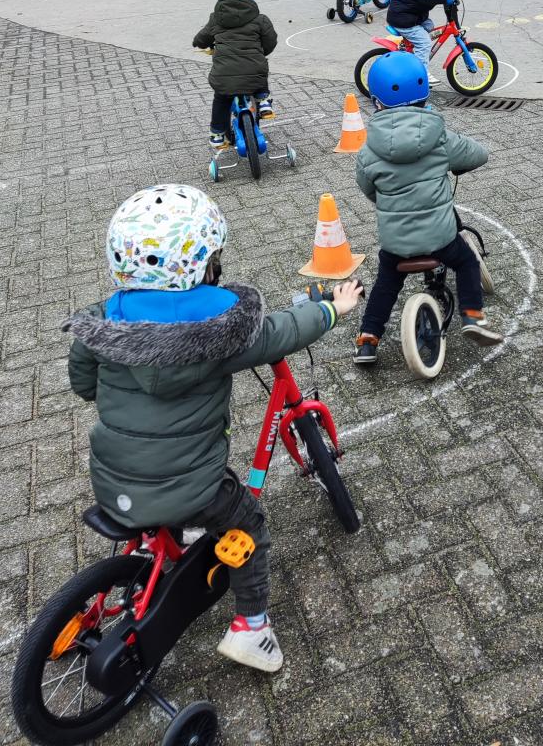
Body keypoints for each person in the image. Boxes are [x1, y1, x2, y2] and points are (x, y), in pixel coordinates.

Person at [66, 183, 363, 672]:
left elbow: (83, 384)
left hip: (112, 477)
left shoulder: (103, 321)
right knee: (250, 525)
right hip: (190, 488)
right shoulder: (219, 331)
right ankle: (252, 629)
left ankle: (167, 549)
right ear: (201, 263)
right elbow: (283, 331)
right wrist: (333, 307)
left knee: (165, 493)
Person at [352, 54, 501, 365]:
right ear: (425, 95)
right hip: (440, 237)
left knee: (386, 283)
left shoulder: (368, 152)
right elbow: (479, 154)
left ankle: (368, 338)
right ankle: (473, 315)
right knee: (467, 261)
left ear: (376, 101)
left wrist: (387, 200)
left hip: (396, 242)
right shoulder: (440, 137)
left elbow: (368, 189)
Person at [193, 0, 276, 153]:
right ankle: (263, 100)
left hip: (224, 75)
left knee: (221, 98)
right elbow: (270, 41)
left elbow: (202, 38)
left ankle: (217, 134)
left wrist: (198, 43)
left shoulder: (216, 19)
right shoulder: (260, 19)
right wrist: (262, 51)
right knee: (258, 66)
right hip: (254, 71)